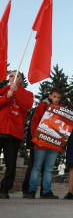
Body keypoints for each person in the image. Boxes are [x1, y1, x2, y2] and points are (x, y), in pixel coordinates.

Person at [0, 71, 34, 199]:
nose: (14, 78)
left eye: (17, 76)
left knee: (10, 163)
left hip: (13, 132)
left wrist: (16, 91)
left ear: (21, 80)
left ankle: (4, 188)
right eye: (11, 76)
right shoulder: (2, 91)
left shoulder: (27, 94)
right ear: (8, 78)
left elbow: (26, 106)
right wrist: (6, 97)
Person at [25, 88, 63, 199]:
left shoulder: (61, 109)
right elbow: (34, 122)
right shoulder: (42, 106)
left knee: (49, 168)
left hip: (54, 144)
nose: (56, 99)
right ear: (50, 96)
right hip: (40, 142)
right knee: (37, 166)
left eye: (58, 97)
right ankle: (31, 191)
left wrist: (61, 143)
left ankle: (46, 191)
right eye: (54, 96)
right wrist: (35, 138)